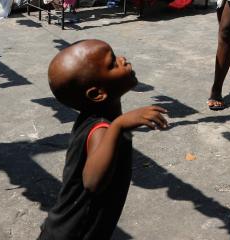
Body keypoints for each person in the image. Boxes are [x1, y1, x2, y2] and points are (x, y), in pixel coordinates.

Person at [39, 39, 168, 240]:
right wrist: (118, 126)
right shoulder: (101, 128)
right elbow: (92, 182)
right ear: (97, 93)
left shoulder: (91, 117)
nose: (123, 60)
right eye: (112, 63)